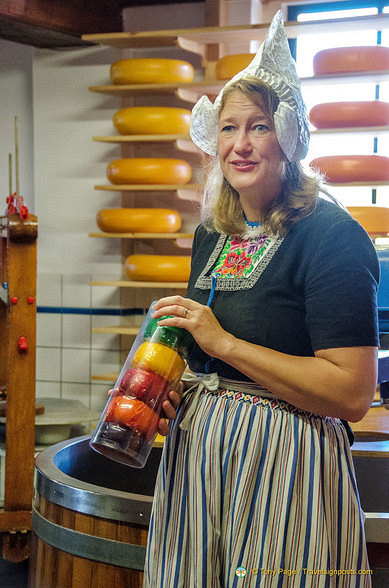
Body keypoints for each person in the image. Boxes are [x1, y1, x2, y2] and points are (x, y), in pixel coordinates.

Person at [145, 11, 379, 587]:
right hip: (200, 459)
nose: (240, 145)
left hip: (287, 463)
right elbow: (207, 355)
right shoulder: (213, 234)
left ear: (291, 136)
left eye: (259, 126)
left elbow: (351, 392)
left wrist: (223, 341)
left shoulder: (331, 236)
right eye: (228, 128)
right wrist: (171, 382)